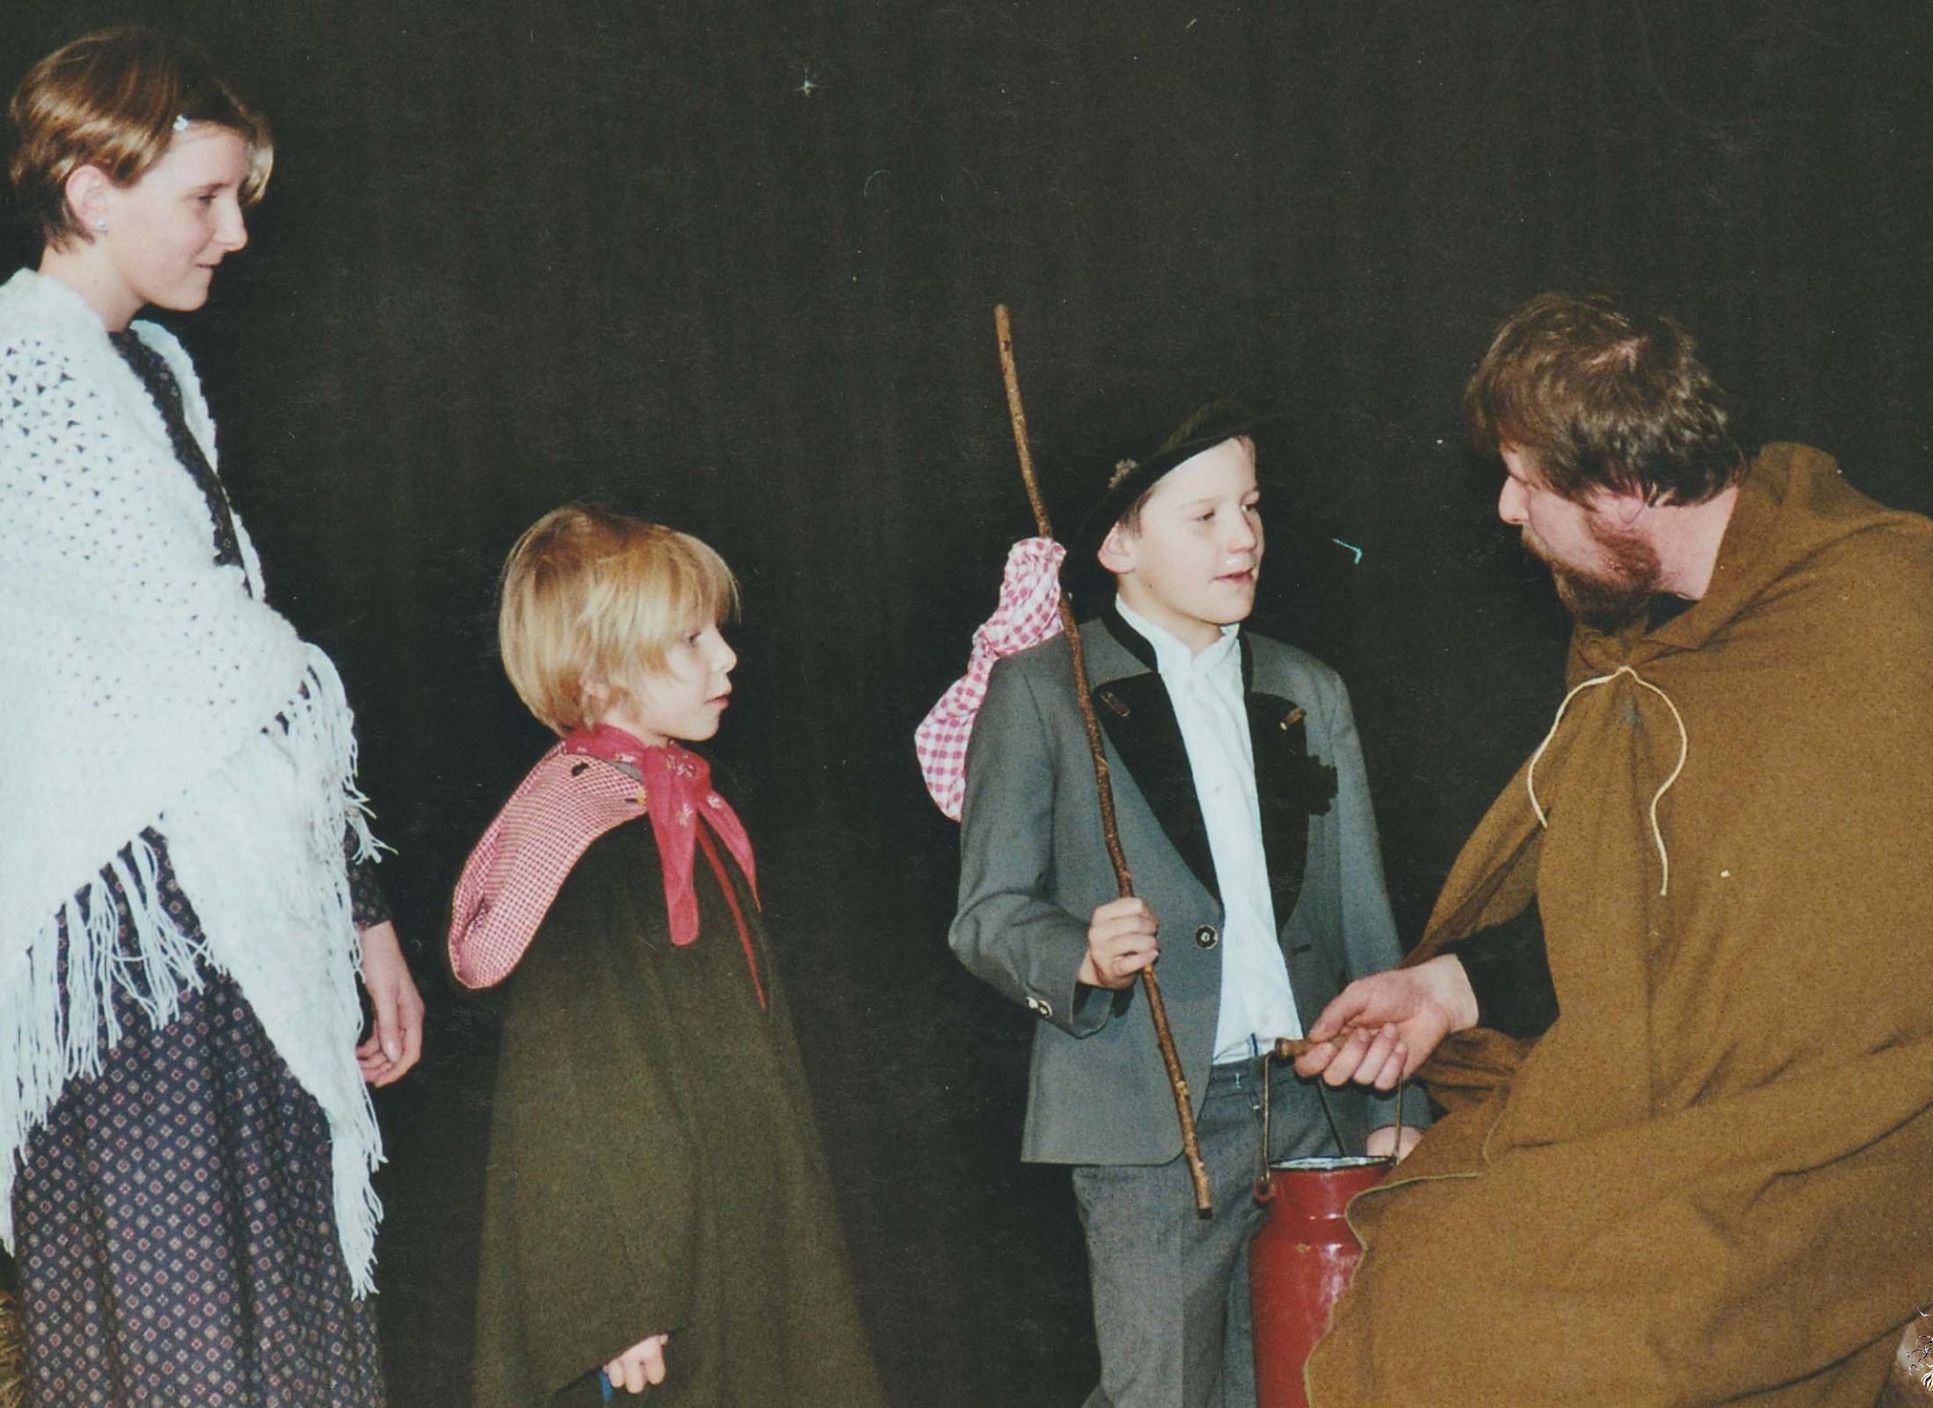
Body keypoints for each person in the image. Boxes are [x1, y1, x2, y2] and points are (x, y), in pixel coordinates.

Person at [1294, 293, 1933, 1406]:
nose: (1505, 508)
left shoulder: (1873, 611)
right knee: (1444, 1241)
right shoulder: (1649, 638)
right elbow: (1646, 912)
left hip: (1876, 1132)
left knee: (1474, 1297)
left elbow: (1868, 978)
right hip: (1719, 1100)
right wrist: (1447, 987)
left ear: (1624, 489)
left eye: (1526, 482)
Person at [0, 27, 423, 1407]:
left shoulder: (156, 374)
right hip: (123, 950)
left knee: (283, 1336)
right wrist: (287, 673)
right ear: (89, 191)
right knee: (177, 1346)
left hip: (238, 924)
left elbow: (234, 674)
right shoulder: (23, 375)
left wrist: (361, 918)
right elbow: (206, 658)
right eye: (205, 198)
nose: (235, 234)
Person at [947, 404, 1411, 1408]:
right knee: (1162, 1392)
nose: (1243, 537)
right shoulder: (1042, 692)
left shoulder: (1309, 688)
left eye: (1250, 506)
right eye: (1203, 516)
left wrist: (1395, 1107)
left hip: (1313, 1108)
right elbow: (986, 913)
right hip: (1153, 1129)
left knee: (1320, 1385)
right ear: (1118, 546)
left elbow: (1364, 919)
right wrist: (1079, 954)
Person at [451, 505, 887, 1406]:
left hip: (735, 1214)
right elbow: (575, 1089)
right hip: (666, 1273)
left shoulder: (676, 808)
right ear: (596, 669)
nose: (726, 659)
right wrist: (617, 1297)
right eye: (691, 639)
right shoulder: (586, 834)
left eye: (716, 633)